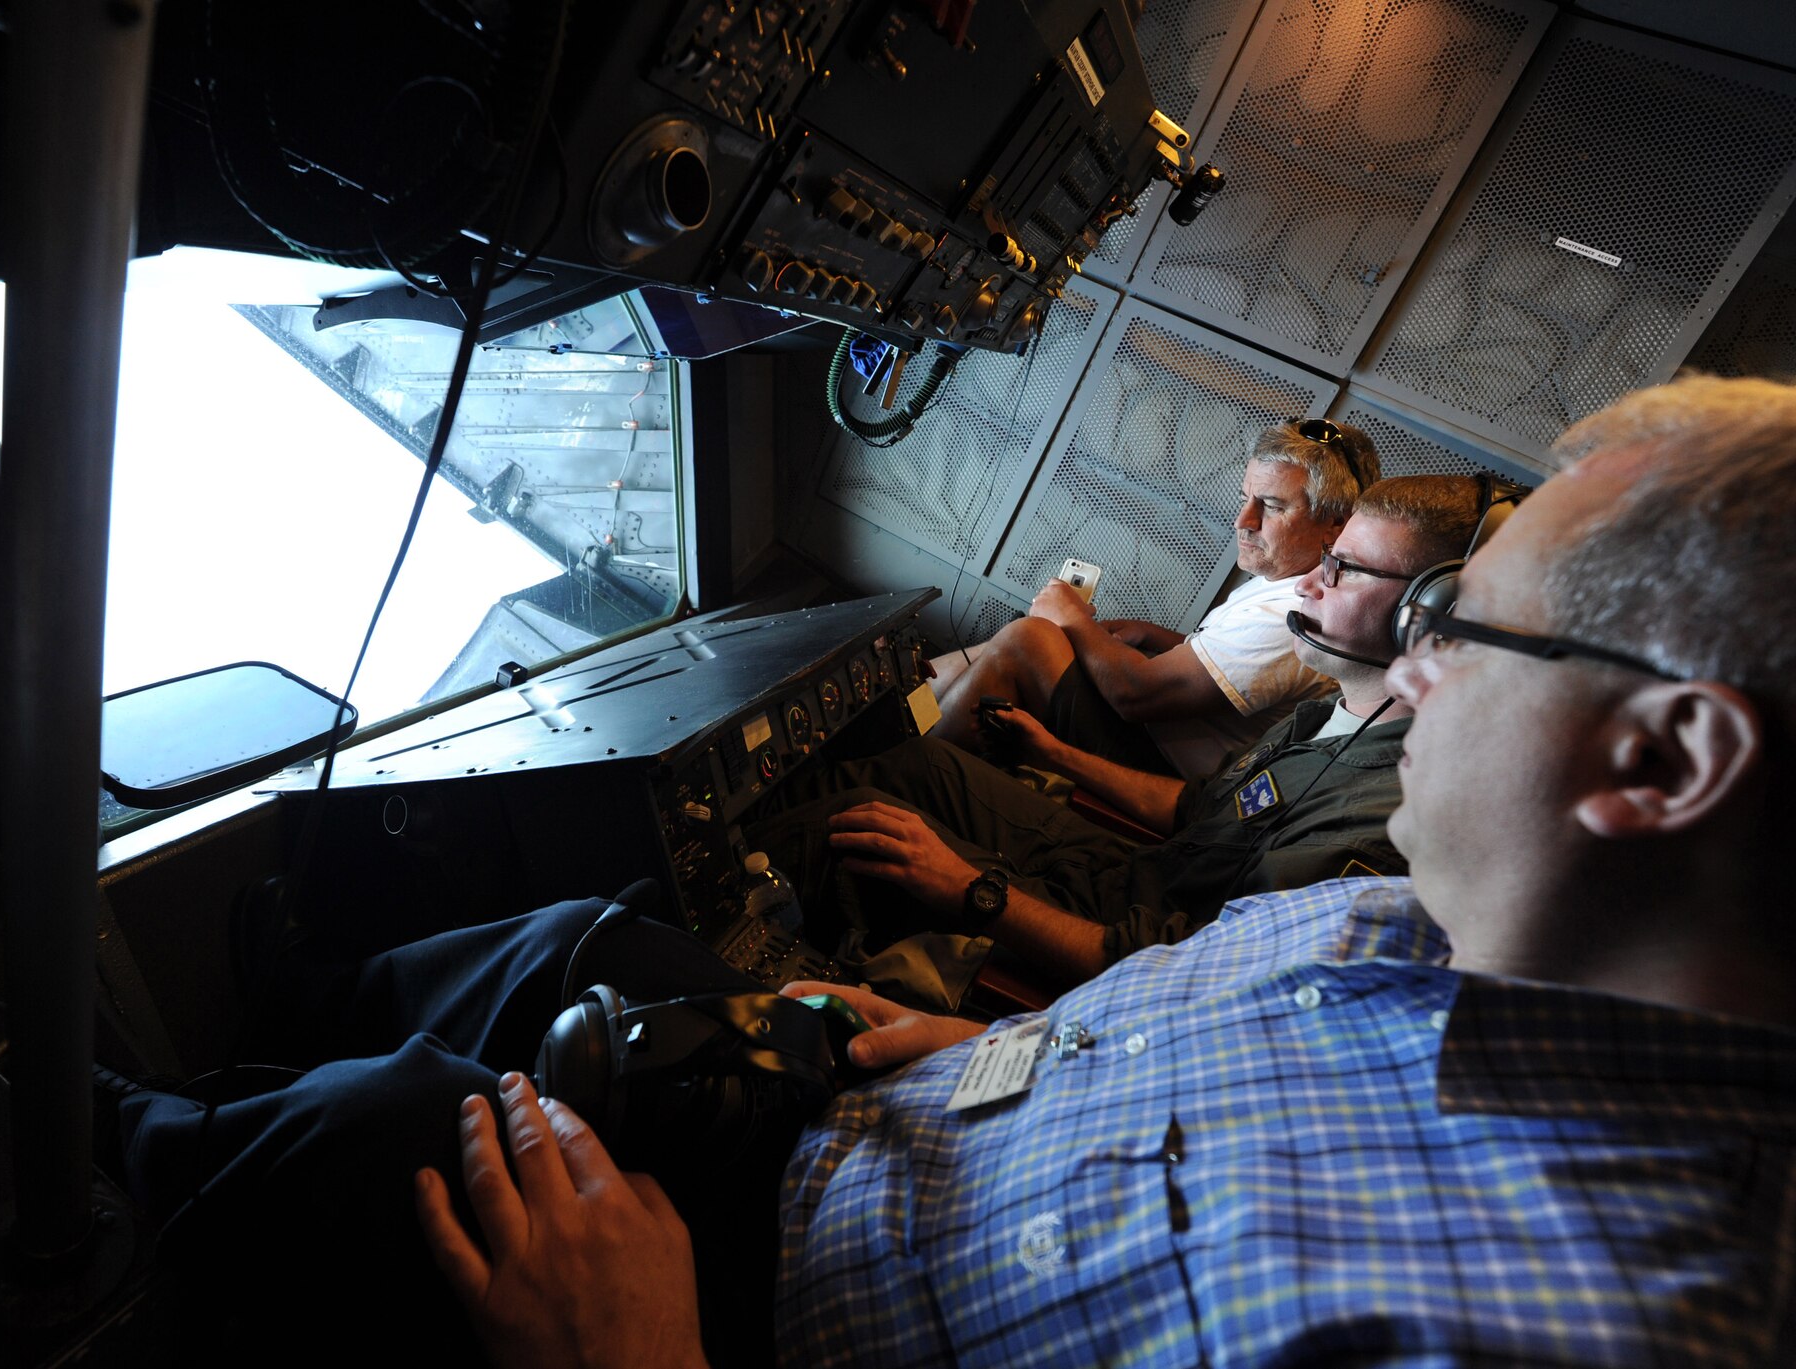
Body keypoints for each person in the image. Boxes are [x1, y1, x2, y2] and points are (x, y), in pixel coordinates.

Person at [118, 374, 1796, 1368]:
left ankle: (96, 1175)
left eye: (1463, 624)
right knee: (576, 942)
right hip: (874, 1123)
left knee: (413, 1133)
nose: (1414, 669)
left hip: (762, 1311)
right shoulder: (1387, 924)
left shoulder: (1601, 1322)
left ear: (1661, 762)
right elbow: (1145, 1035)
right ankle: (256, 1051)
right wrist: (974, 1047)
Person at [745, 473, 1485, 990]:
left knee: (854, 830)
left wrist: (971, 889)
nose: (1313, 584)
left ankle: (724, 900)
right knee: (918, 766)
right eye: (1325, 561)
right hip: (1132, 870)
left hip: (1119, 934)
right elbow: (1195, 807)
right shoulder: (1332, 715)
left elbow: (1187, 973)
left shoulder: (1376, 825)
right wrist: (1056, 753)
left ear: (1430, 616)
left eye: (1344, 569)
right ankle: (742, 838)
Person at [928, 418, 1379, 778]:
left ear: (1336, 523)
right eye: (1245, 498)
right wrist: (1155, 636)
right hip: (1154, 735)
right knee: (1036, 640)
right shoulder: (1290, 577)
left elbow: (1137, 695)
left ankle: (915, 763)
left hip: (1159, 766)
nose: (1243, 521)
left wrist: (1072, 619)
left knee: (1030, 639)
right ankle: (916, 709)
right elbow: (1229, 662)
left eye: (1273, 507)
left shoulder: (1296, 611)